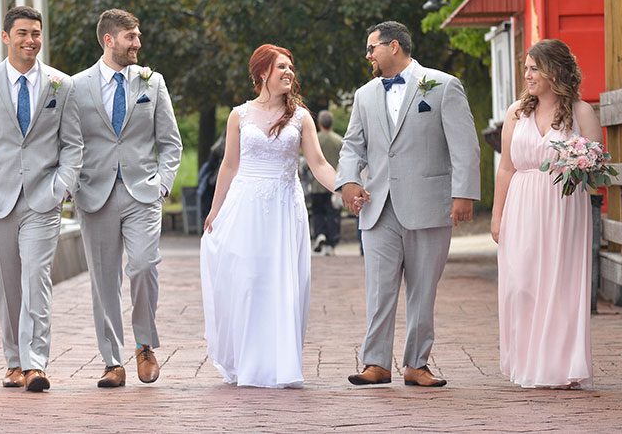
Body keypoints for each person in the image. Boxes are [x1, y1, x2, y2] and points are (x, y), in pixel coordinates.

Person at [337, 21, 480, 388]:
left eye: (372, 48)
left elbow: (464, 145)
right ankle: (376, 363)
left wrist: (463, 194)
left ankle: (417, 364)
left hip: (429, 205)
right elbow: (352, 145)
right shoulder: (364, 95)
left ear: (394, 46)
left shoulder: (443, 85)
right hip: (377, 207)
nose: (368, 55)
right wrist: (349, 180)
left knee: (422, 290)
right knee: (379, 290)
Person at [0, 5, 82, 392]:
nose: (31, 40)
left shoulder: (61, 84)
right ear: (6, 37)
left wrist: (62, 186)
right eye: (23, 33)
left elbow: (73, 144)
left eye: (36, 33)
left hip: (43, 200)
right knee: (6, 283)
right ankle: (13, 361)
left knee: (36, 278)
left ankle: (35, 364)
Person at [200, 44, 337, 388]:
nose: (289, 72)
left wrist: (345, 188)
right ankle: (247, 361)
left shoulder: (301, 117)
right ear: (263, 73)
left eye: (291, 67)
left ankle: (280, 364)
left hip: (284, 208)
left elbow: (319, 164)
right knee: (248, 281)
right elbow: (229, 165)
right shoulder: (239, 115)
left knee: (281, 284)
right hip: (245, 207)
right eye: (281, 67)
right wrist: (215, 210)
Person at [71, 9, 182, 389]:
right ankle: (112, 361)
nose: (138, 43)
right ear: (109, 40)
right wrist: (73, 185)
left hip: (143, 192)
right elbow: (69, 141)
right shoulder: (76, 86)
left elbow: (170, 142)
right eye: (130, 37)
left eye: (138, 36)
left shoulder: (153, 83)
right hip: (95, 193)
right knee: (104, 279)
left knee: (144, 265)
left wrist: (163, 184)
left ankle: (145, 345)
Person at [491, 38, 600, 389]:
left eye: (534, 68)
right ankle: (526, 362)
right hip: (521, 205)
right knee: (520, 284)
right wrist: (497, 216)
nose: (527, 75)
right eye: (526, 68)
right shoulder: (516, 113)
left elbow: (597, 167)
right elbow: (506, 168)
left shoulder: (581, 113)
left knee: (560, 285)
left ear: (555, 71)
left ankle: (557, 366)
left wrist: (583, 163)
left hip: (563, 208)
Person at [310, 110, 343, 255]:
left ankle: (320, 234)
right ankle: (331, 243)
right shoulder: (339, 141)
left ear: (319, 123)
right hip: (334, 183)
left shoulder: (314, 139)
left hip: (317, 184)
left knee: (318, 212)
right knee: (332, 214)